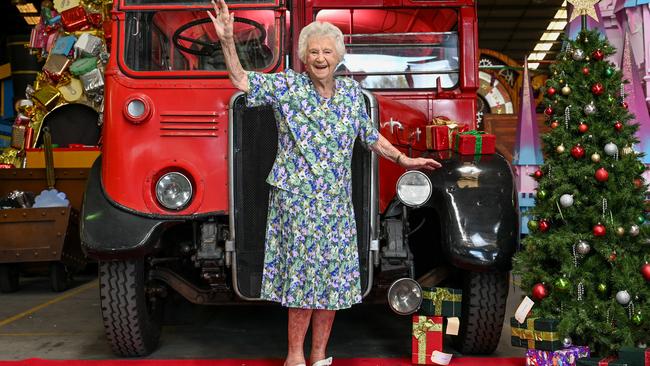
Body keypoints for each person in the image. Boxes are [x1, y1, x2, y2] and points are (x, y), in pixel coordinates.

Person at [207, 1, 442, 365]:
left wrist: (404, 159)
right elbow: (240, 80)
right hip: (296, 202)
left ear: (339, 57)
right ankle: (294, 357)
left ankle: (319, 356)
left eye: (327, 51)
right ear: (303, 57)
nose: (320, 58)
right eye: (313, 51)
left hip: (335, 205)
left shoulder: (351, 96)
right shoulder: (288, 86)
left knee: (331, 285)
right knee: (301, 284)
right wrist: (226, 41)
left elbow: (371, 137)